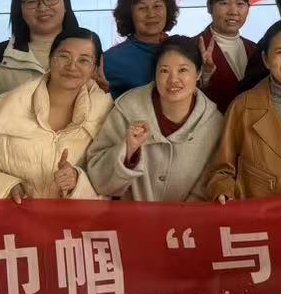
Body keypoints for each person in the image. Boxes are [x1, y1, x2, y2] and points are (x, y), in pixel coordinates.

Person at [0, 27, 109, 200]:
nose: (72, 66)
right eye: (64, 56)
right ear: (50, 59)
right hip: (15, 215)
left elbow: (113, 181)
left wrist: (78, 182)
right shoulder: (2, 108)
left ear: (95, 68)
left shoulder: (106, 112)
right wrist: (6, 188)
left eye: (84, 60)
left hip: (77, 217)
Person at [87, 37, 223, 202]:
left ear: (199, 73)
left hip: (189, 218)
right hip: (130, 217)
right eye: (164, 71)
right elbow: (99, 181)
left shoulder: (213, 122)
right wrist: (127, 152)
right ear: (155, 74)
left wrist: (182, 215)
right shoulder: (127, 109)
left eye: (183, 70)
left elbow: (211, 183)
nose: (173, 79)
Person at [204, 19, 281, 200]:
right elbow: (221, 170)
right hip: (256, 213)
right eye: (280, 52)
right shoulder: (242, 107)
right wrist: (222, 190)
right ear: (266, 60)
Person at [0, 0, 82, 97]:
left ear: (66, 5)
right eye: (31, 1)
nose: (42, 7)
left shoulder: (89, 51)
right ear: (19, 10)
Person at [102, 0, 177, 97]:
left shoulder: (181, 51)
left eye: (157, 6)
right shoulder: (110, 60)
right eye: (142, 8)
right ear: (129, 15)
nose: (151, 14)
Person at [197, 0, 259, 113]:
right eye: (224, 3)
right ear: (209, 6)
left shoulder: (255, 49)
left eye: (240, 4)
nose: (233, 11)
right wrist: (204, 80)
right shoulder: (193, 48)